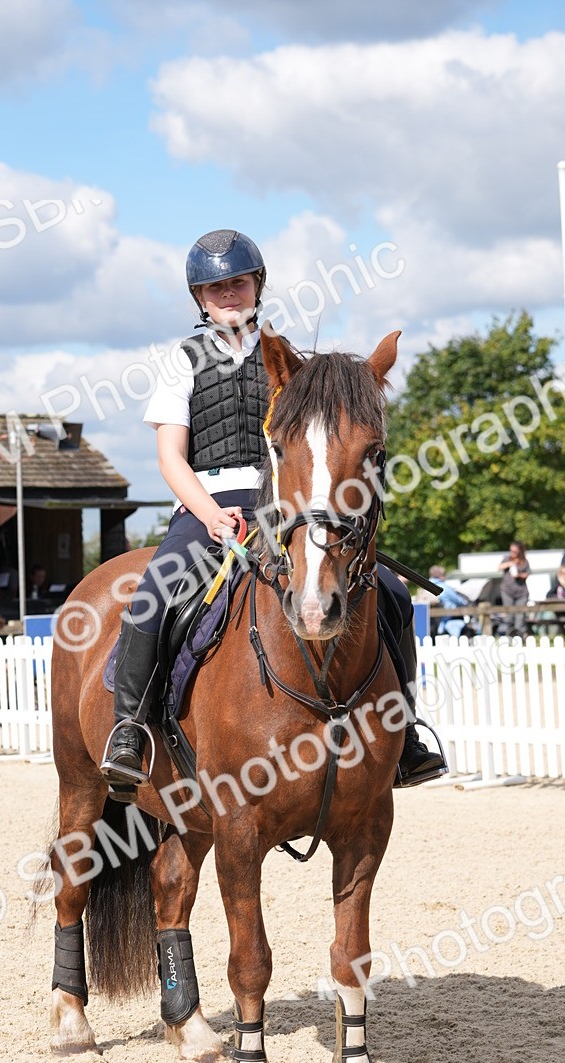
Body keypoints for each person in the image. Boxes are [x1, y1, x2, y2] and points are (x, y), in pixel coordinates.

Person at [100, 228, 445, 790]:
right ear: (199, 298)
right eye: (215, 287)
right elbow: (170, 456)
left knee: (393, 593)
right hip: (205, 505)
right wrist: (210, 514)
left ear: (257, 285)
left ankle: (403, 736)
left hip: (285, 507)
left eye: (237, 282)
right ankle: (129, 730)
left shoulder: (293, 364)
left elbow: (322, 448)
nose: (227, 294)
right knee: (151, 597)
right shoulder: (182, 362)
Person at [415, 565, 470, 637]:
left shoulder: (425, 587)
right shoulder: (444, 588)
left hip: (428, 624)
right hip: (448, 622)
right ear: (441, 576)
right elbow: (458, 601)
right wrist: (467, 603)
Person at [498, 540, 530, 636]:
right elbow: (499, 567)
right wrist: (510, 563)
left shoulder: (524, 561)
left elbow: (527, 574)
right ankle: (506, 634)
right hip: (507, 591)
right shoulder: (507, 559)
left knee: (519, 614)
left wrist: (519, 575)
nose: (513, 553)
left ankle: (518, 634)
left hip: (521, 592)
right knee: (509, 614)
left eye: (515, 551)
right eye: (511, 551)